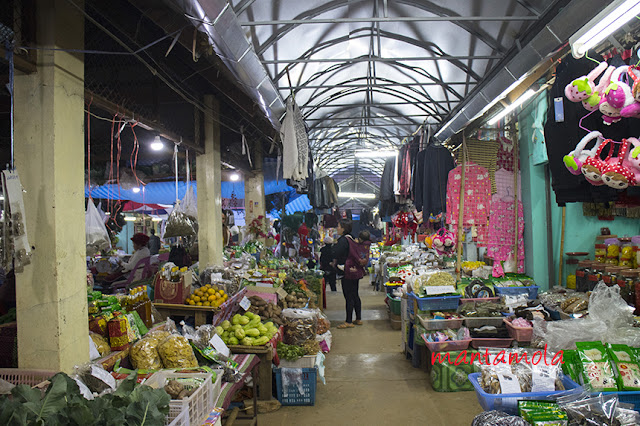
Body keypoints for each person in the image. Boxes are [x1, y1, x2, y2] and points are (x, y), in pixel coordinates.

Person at [332, 219, 362, 329]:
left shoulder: (343, 240)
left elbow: (335, 252)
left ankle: (348, 321)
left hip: (347, 271)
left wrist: (333, 248)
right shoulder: (353, 238)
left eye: (339, 226)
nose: (337, 228)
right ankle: (358, 319)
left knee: (348, 296)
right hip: (355, 270)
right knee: (355, 294)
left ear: (344, 228)